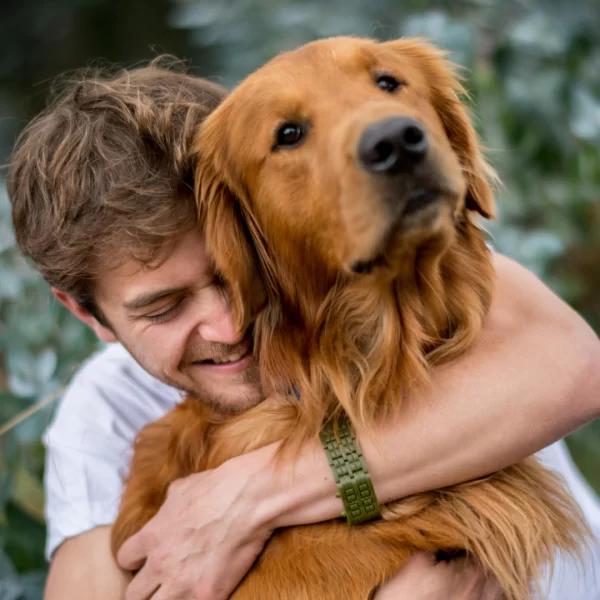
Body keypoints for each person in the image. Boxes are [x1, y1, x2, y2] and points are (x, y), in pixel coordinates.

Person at [7, 59, 600, 600]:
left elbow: (576, 368)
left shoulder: (393, 284)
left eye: (240, 270)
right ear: (86, 313)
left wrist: (253, 495)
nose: (232, 322)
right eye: (164, 308)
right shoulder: (107, 409)